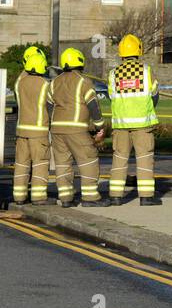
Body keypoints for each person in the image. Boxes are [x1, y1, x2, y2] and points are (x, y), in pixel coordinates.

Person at [107, 34, 161, 206]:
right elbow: (155, 94)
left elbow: (111, 97)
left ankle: (115, 196)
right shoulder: (145, 71)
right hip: (142, 125)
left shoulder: (113, 74)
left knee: (119, 158)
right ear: (139, 50)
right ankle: (146, 197)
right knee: (144, 158)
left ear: (121, 52)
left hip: (121, 125)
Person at [48, 47, 107, 207]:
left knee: (62, 164)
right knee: (88, 160)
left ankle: (66, 198)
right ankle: (90, 197)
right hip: (77, 129)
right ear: (80, 62)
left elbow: (49, 106)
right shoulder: (84, 81)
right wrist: (99, 125)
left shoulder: (54, 82)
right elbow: (93, 105)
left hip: (57, 130)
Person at [12, 45, 52, 205]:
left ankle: (19, 197)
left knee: (22, 164)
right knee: (40, 163)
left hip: (22, 130)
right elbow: (50, 107)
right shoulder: (44, 84)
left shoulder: (19, 83)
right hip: (39, 131)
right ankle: (39, 197)